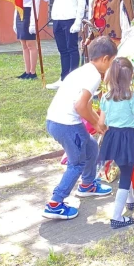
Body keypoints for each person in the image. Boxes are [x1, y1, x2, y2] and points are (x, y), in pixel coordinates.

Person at [42, 36, 117, 221]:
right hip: (66, 124)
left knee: (91, 147)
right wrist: (96, 123)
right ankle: (55, 203)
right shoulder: (92, 76)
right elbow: (80, 106)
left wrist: (97, 121)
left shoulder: (84, 70)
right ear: (105, 59)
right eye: (112, 62)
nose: (111, 67)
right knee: (77, 163)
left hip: (57, 120)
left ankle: (88, 185)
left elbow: (85, 105)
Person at [98, 57, 134, 229]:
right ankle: (117, 217)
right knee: (126, 174)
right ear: (131, 75)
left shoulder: (106, 97)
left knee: (126, 168)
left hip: (112, 138)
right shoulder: (132, 97)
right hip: (128, 138)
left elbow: (102, 122)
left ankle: (130, 200)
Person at [47, 0, 86, 89]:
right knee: (62, 49)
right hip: (57, 18)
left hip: (70, 18)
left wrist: (78, 21)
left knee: (72, 49)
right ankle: (63, 78)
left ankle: (73, 79)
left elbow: (82, 1)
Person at [16, 0, 51, 79]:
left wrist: (33, 23)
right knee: (24, 45)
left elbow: (36, 3)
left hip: (29, 14)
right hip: (20, 13)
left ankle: (32, 71)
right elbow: (16, 3)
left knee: (31, 45)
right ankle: (26, 70)